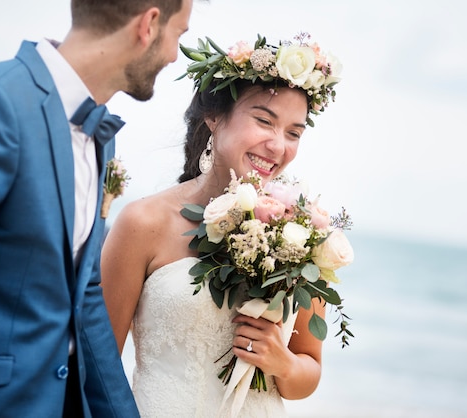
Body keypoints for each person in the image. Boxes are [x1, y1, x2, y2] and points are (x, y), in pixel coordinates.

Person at [0, 0, 193, 417]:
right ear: (149, 24)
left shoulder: (101, 137)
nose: (175, 54)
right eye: (179, 35)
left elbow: (83, 298)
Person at [101, 33, 342, 417]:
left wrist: (281, 363)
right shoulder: (142, 222)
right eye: (264, 120)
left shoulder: (304, 232)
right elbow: (100, 367)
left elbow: (308, 371)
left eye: (294, 132)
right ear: (214, 117)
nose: (278, 146)